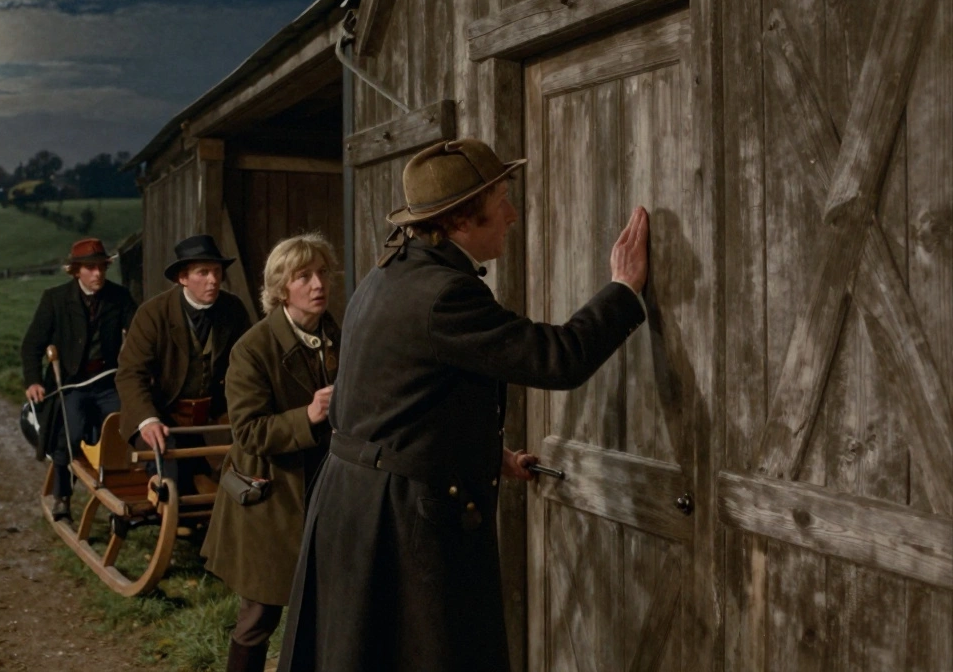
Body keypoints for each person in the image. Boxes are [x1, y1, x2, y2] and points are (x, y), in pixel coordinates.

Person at [277, 139, 650, 672]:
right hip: (397, 516)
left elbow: (396, 400)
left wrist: (479, 450)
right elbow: (557, 358)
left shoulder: (390, 274)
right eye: (500, 199)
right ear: (460, 218)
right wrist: (623, 289)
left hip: (359, 500)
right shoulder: (441, 293)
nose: (512, 214)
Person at [200, 233, 340, 672]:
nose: (318, 284)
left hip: (327, 494)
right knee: (258, 618)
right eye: (304, 276)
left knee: (328, 613)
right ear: (282, 288)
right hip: (270, 502)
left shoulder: (341, 336)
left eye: (322, 273)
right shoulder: (253, 348)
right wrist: (310, 415)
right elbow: (248, 431)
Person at [116, 234, 252, 494]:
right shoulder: (153, 314)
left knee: (245, 460)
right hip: (161, 413)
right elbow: (130, 375)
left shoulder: (232, 309)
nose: (213, 280)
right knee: (172, 474)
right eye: (203, 273)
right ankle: (179, 521)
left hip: (212, 415)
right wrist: (147, 419)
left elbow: (250, 365)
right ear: (182, 278)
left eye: (217, 271)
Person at [21, 238, 138, 522]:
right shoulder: (55, 299)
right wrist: (34, 381)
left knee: (124, 432)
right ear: (75, 271)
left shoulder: (120, 297)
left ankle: (119, 498)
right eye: (90, 268)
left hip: (107, 382)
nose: (97, 274)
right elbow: (32, 345)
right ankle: (63, 496)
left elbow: (139, 334)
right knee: (69, 434)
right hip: (71, 384)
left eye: (101, 267)